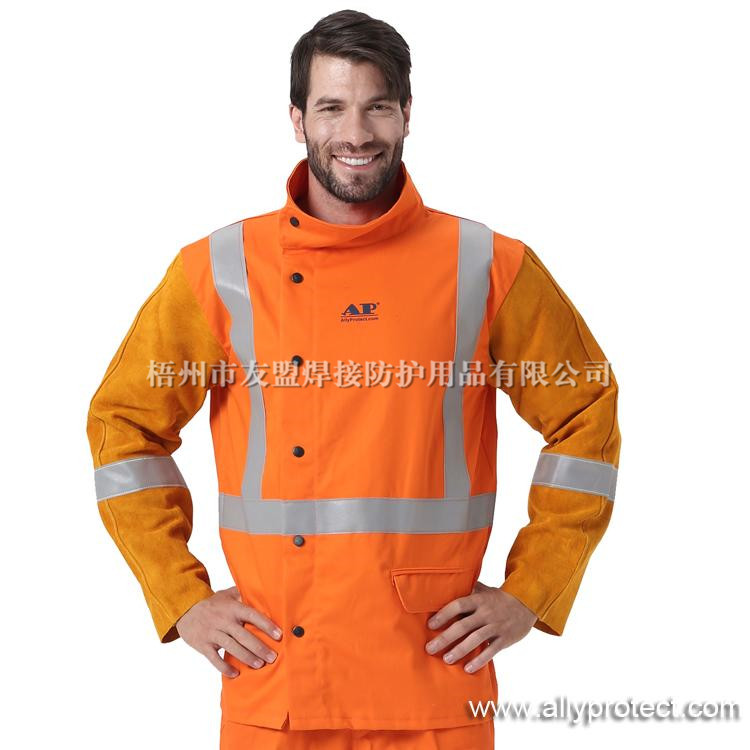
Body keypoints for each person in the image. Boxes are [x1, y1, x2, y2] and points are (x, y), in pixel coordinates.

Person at [86, 9, 621, 749]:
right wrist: (181, 598)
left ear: (408, 115)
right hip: (274, 680)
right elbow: (123, 425)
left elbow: (585, 408)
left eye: (378, 106)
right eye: (332, 107)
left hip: (435, 679)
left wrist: (532, 591)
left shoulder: (486, 265)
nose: (356, 133)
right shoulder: (219, 270)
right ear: (297, 118)